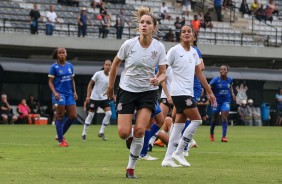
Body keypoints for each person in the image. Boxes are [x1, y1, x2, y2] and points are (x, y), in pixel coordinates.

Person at [105, 7, 167, 178]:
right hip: (127, 90)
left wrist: (158, 79)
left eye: (148, 23)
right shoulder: (129, 44)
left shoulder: (159, 47)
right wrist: (111, 87)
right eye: (142, 22)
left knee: (140, 130)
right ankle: (131, 137)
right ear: (139, 26)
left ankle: (130, 169)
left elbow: (163, 72)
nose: (144, 25)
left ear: (154, 27)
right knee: (124, 133)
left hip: (148, 92)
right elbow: (116, 64)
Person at [161, 25, 216, 168]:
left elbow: (199, 74)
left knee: (178, 125)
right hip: (179, 93)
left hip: (188, 92)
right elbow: (163, 68)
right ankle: (179, 152)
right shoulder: (174, 50)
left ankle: (167, 159)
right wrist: (158, 79)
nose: (186, 33)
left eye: (189, 31)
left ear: (193, 35)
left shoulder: (194, 53)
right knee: (197, 120)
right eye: (183, 31)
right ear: (180, 35)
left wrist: (210, 92)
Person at [48, 48, 78, 147]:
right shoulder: (54, 67)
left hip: (69, 94)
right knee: (60, 116)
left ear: (66, 54)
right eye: (59, 53)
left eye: (63, 53)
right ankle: (61, 141)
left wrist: (75, 92)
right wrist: (55, 93)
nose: (62, 54)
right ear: (57, 55)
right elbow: (50, 82)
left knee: (73, 116)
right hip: (59, 94)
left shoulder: (70, 66)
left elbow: (72, 80)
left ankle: (59, 135)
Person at [81, 60, 112, 141]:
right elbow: (90, 83)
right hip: (94, 98)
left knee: (109, 113)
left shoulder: (111, 76)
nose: (108, 66)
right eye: (106, 65)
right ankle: (84, 133)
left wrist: (111, 95)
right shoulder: (98, 74)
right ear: (104, 65)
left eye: (109, 65)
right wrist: (88, 96)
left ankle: (101, 132)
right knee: (90, 115)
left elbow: (110, 87)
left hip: (104, 98)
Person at [209, 65, 236, 142]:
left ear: (227, 71)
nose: (223, 70)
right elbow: (208, 87)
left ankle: (224, 137)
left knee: (224, 117)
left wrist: (233, 94)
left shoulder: (230, 79)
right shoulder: (215, 79)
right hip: (216, 101)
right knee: (214, 118)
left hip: (226, 101)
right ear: (219, 71)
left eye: (225, 69)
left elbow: (230, 87)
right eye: (221, 69)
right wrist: (209, 95)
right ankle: (211, 133)